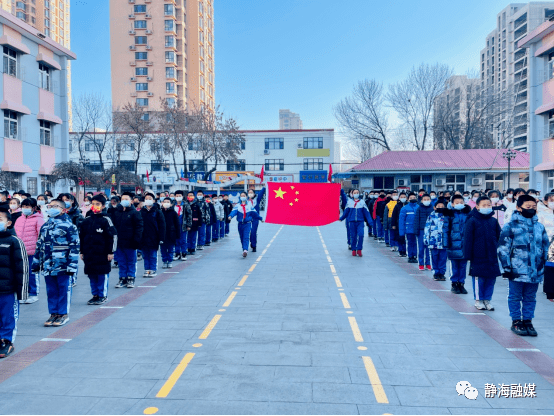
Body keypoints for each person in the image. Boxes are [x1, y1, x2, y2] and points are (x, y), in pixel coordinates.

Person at [498, 195, 549, 337]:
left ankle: (528, 320)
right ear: (519, 208)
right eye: (528, 207)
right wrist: (506, 268)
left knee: (530, 297)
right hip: (516, 270)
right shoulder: (510, 226)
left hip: (535, 271)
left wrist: (544, 265)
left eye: (534, 207)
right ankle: (516, 321)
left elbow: (546, 247)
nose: (531, 209)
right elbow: (503, 248)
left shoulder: (539, 226)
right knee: (515, 296)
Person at [31, 198, 80, 327]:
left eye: (55, 206)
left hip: (63, 265)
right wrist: (36, 263)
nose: (51, 208)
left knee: (63, 289)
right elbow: (39, 245)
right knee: (51, 290)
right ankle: (53, 313)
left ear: (63, 210)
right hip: (48, 265)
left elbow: (74, 247)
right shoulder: (45, 226)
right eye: (50, 205)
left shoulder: (69, 226)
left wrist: (72, 266)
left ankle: (63, 314)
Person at [463, 196, 501, 311]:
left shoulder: (493, 221)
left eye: (489, 205)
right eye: (483, 205)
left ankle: (487, 299)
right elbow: (467, 239)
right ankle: (478, 300)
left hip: (492, 255)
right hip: (478, 255)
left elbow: (500, 237)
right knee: (479, 279)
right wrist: (467, 255)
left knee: (491, 279)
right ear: (477, 206)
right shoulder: (472, 220)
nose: (487, 207)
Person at [0, 207, 28, 358]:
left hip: (8, 289)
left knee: (8, 315)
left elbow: (22, 267)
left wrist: (22, 291)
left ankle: (7, 341)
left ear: (9, 223)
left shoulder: (14, 241)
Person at [79, 195, 117, 305]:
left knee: (102, 275)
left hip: (103, 253)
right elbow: (82, 237)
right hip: (89, 253)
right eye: (93, 204)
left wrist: (111, 252)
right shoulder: (86, 220)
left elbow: (113, 236)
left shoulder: (106, 220)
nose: (95, 206)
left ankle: (102, 295)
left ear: (103, 206)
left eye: (98, 204)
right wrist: (82, 251)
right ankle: (94, 295)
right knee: (91, 275)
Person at [14, 198, 44, 304]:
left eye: (27, 207)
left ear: (34, 208)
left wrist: (39, 250)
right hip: (21, 251)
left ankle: (33, 293)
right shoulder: (19, 219)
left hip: (33, 251)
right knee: (23, 273)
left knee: (32, 273)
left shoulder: (38, 219)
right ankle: (25, 293)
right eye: (23, 206)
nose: (25, 209)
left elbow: (41, 235)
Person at [111, 192, 143, 289]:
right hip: (119, 242)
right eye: (122, 199)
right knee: (121, 261)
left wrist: (136, 240)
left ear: (131, 201)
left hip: (131, 241)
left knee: (131, 261)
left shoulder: (135, 213)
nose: (124, 201)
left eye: (126, 199)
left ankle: (131, 277)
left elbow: (139, 228)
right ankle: (122, 278)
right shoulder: (116, 212)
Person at [446, 195, 471, 295]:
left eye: (461, 202)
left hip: (464, 244)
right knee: (454, 266)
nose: (459, 204)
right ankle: (454, 283)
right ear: (452, 204)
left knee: (463, 266)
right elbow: (445, 230)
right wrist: (446, 243)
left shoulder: (468, 214)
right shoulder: (449, 214)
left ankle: (461, 283)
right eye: (457, 202)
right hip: (453, 244)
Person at [228, 192, 264, 258]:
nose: (242, 197)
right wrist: (230, 216)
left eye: (244, 195)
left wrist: (260, 218)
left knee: (246, 237)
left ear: (246, 196)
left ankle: (245, 250)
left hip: (247, 224)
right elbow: (234, 212)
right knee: (242, 237)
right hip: (240, 224)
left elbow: (255, 214)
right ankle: (244, 248)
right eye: (241, 196)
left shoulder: (249, 205)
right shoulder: (238, 205)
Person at [140, 193, 166, 277]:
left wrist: (161, 237)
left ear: (154, 200)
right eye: (146, 198)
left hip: (154, 236)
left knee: (153, 254)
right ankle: (146, 269)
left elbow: (162, 225)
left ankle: (153, 269)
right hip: (143, 236)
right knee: (145, 255)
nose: (148, 200)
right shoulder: (141, 212)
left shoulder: (157, 212)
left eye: (150, 198)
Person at [340, 189, 371, 257]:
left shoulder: (362, 202)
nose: (356, 194)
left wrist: (370, 222)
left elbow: (367, 213)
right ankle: (354, 249)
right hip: (352, 222)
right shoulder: (349, 202)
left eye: (357, 192)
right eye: (355, 192)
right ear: (352, 194)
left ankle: (359, 249)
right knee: (353, 236)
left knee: (361, 235)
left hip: (360, 222)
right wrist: (341, 218)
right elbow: (346, 212)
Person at [424, 199, 448, 281]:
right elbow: (427, 228)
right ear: (434, 207)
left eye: (442, 206)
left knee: (443, 258)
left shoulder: (447, 216)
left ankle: (442, 273)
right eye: (438, 206)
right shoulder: (431, 216)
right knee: (434, 258)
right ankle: (435, 273)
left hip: (443, 242)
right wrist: (426, 238)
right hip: (433, 242)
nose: (440, 208)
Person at [414, 194, 433, 271]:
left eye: (427, 199)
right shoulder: (419, 209)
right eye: (424, 199)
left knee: (429, 248)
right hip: (421, 230)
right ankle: (421, 263)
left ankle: (428, 263)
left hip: (430, 231)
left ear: (430, 200)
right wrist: (416, 231)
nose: (426, 201)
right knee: (421, 248)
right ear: (421, 201)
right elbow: (416, 220)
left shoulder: (432, 208)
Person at [160, 197, 180, 269]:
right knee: (163, 249)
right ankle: (164, 261)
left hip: (171, 234)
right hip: (162, 234)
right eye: (164, 202)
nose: (166, 203)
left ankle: (170, 261)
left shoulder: (173, 213)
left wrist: (178, 234)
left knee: (171, 249)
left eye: (168, 202)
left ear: (171, 204)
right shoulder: (160, 212)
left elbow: (177, 224)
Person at [399, 192, 418, 263]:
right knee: (410, 243)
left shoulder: (418, 207)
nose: (413, 199)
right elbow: (401, 221)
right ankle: (410, 256)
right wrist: (402, 232)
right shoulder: (404, 208)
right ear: (408, 199)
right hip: (408, 229)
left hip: (416, 229)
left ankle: (415, 256)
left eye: (414, 198)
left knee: (415, 243)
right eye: (411, 198)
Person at [173, 190, 192, 261]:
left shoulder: (186, 205)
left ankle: (184, 253)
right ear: (175, 197)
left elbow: (189, 215)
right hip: (175, 225)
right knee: (176, 239)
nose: (178, 197)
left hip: (183, 224)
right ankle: (177, 253)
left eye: (179, 196)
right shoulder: (172, 205)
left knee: (183, 239)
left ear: (182, 196)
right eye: (177, 196)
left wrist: (189, 225)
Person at [247, 187, 266, 252]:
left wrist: (264, 187)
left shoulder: (257, 200)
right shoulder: (245, 201)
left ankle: (254, 245)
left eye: (251, 192)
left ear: (254, 194)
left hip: (255, 219)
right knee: (248, 233)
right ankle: (251, 242)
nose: (250, 194)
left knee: (253, 232)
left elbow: (260, 193)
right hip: (247, 219)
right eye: (249, 193)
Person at [391, 192, 407, 257]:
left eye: (404, 197)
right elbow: (394, 216)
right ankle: (400, 250)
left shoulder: (408, 205)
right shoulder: (397, 206)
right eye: (402, 197)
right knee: (400, 238)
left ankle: (405, 251)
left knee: (406, 239)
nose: (403, 198)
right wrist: (393, 224)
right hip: (399, 225)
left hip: (407, 225)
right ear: (399, 198)